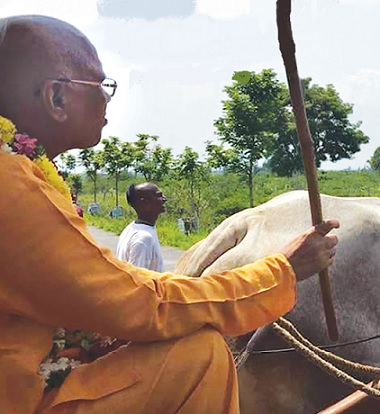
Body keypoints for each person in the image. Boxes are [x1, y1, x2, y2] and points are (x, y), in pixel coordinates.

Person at [0, 15, 339, 414]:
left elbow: (113, 288)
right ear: (56, 98)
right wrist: (278, 272)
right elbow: (136, 303)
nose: (108, 98)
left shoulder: (26, 173)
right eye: (102, 86)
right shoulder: (12, 184)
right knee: (200, 355)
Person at [116, 182, 166, 271]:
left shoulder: (132, 228)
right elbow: (138, 281)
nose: (164, 199)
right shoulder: (144, 238)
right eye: (159, 196)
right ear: (144, 203)